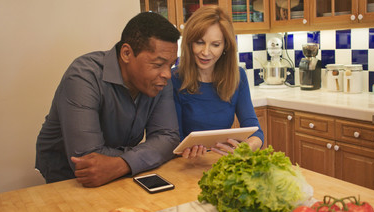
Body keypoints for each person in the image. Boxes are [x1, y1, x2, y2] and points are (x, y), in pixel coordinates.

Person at [35, 12, 181, 187]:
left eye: (170, 65)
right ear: (127, 53)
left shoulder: (160, 80)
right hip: (67, 178)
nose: (167, 74)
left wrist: (123, 164)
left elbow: (168, 138)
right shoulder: (83, 76)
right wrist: (148, 154)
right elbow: (86, 159)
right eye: (158, 64)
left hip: (119, 174)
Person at [171, 6, 264, 159]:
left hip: (221, 163)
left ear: (225, 46)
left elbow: (255, 130)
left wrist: (250, 145)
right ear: (189, 43)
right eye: (200, 42)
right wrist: (185, 151)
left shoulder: (237, 76)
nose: (206, 52)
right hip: (186, 165)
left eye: (215, 44)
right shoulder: (175, 79)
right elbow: (174, 141)